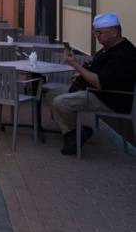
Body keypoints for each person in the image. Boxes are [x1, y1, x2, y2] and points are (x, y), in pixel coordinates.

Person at [49, 13, 136, 156]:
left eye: (99, 33)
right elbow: (96, 71)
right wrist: (81, 74)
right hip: (94, 91)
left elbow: (100, 82)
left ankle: (74, 134)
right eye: (95, 32)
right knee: (51, 94)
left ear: (114, 32)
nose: (96, 36)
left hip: (109, 99)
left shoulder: (124, 54)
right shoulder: (107, 48)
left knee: (60, 102)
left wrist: (75, 65)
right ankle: (75, 133)